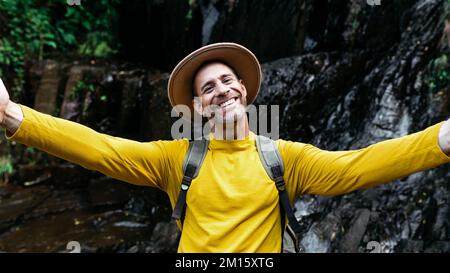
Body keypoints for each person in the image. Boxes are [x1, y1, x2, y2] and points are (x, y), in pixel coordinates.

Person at [1, 42, 450, 253]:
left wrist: (441, 139)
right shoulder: (174, 160)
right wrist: (11, 114)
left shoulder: (285, 158)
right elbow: (100, 149)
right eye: (209, 87)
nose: (222, 90)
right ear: (197, 105)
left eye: (228, 81)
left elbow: (358, 167)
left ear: (244, 92)